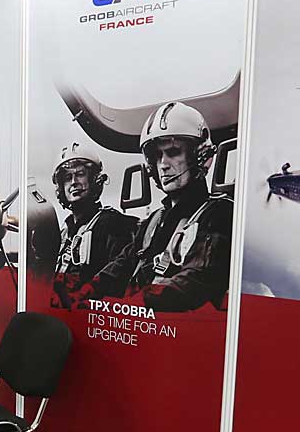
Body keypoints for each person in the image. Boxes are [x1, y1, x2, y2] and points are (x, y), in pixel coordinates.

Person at [87, 101, 231, 310]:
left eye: (173, 152)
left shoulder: (218, 215)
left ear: (199, 155)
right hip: (142, 320)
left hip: (177, 324)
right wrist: (88, 290)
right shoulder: (154, 221)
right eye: (157, 156)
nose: (163, 164)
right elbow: (123, 264)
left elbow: (197, 278)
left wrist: (136, 304)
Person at [48, 140, 138, 308]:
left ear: (94, 179)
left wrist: (84, 295)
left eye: (80, 174)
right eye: (67, 178)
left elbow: (119, 274)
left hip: (89, 312)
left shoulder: (112, 223)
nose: (74, 182)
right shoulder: (64, 233)